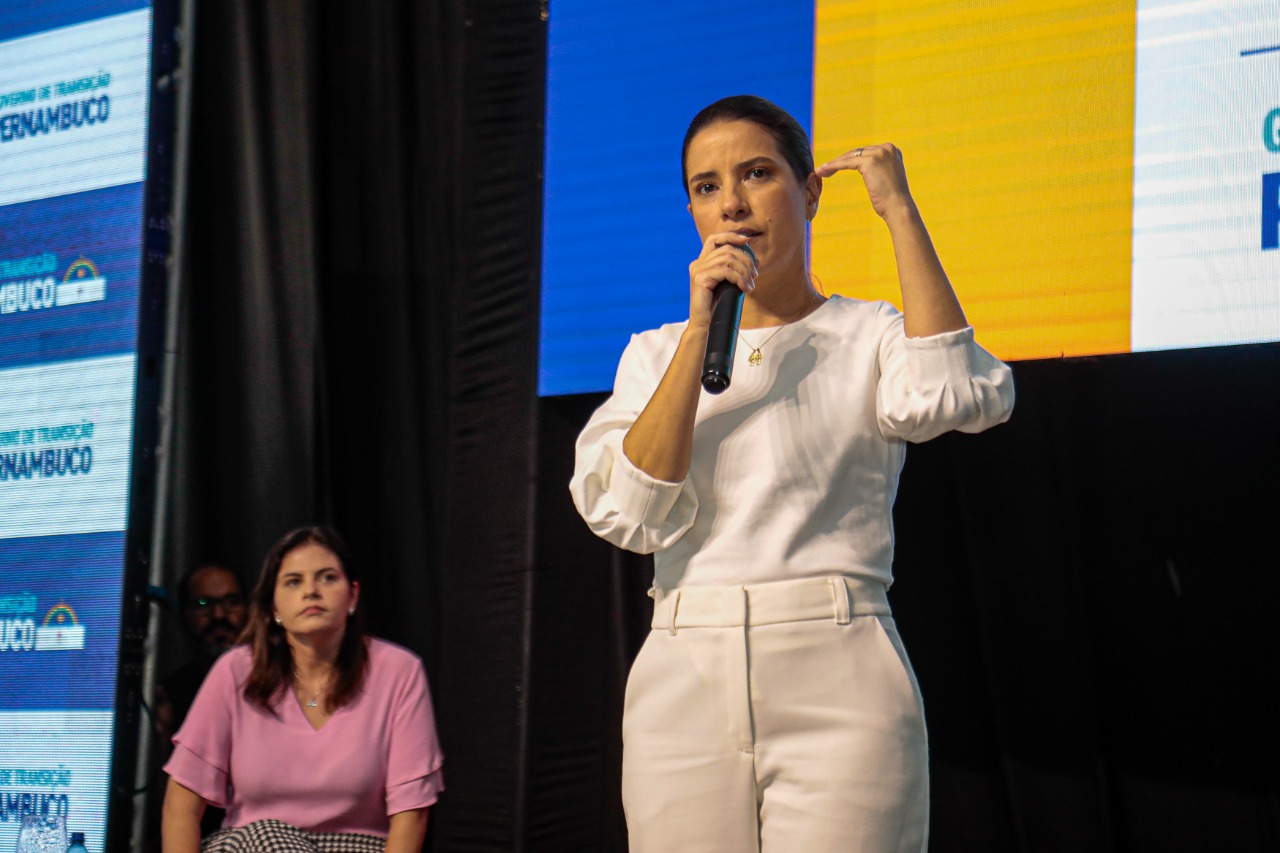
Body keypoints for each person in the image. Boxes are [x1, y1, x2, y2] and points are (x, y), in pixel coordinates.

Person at [569, 95, 1015, 852]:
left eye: (757, 174)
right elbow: (631, 512)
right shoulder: (656, 352)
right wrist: (701, 331)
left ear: (809, 193)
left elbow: (959, 395)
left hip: (838, 667)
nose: (732, 204)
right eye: (707, 187)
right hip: (683, 673)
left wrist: (900, 211)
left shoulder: (867, 332)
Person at [161, 526, 443, 853]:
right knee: (268, 835)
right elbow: (180, 806)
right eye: (294, 582)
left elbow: (411, 814)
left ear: (352, 595)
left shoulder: (399, 671)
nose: (311, 591)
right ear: (274, 608)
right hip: (254, 845)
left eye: (327, 578)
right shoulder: (235, 670)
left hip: (359, 847)